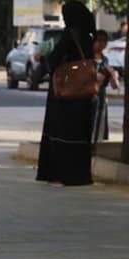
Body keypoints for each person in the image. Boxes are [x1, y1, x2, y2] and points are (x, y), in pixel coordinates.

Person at [36, 1, 95, 186]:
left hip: (66, 92)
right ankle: (80, 175)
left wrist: (43, 59)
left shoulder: (70, 34)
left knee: (62, 132)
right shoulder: (88, 36)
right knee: (80, 135)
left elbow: (55, 59)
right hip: (84, 91)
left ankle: (62, 175)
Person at [92, 31, 121, 144]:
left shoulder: (106, 61)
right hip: (89, 93)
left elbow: (114, 85)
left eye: (104, 41)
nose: (101, 44)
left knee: (99, 120)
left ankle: (96, 143)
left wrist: (113, 76)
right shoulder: (88, 59)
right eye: (99, 40)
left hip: (101, 94)